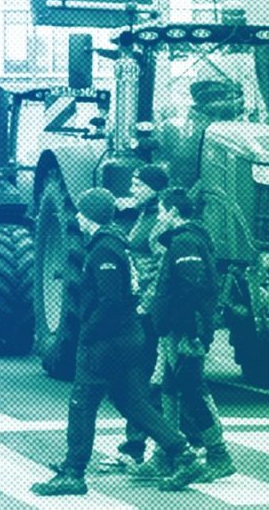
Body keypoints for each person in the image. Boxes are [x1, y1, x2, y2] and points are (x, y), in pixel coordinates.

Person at [30, 187, 206, 497]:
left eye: (81, 212)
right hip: (128, 337)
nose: (78, 218)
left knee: (82, 403)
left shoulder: (103, 251)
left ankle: (73, 472)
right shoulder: (116, 244)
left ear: (90, 216)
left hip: (107, 341)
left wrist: (88, 334)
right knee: (132, 402)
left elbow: (110, 300)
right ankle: (183, 454)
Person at [145, 187, 236, 490]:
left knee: (192, 389)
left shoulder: (185, 242)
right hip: (179, 329)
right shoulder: (188, 240)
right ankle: (166, 454)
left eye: (161, 211)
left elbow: (192, 288)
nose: (159, 217)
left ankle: (218, 454)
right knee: (171, 389)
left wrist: (190, 332)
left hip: (184, 331)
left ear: (173, 212)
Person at [112, 164, 169, 467]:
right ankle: (137, 445)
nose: (132, 189)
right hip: (140, 307)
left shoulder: (159, 221)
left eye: (138, 184)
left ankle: (161, 445)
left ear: (154, 188)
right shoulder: (144, 215)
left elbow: (162, 270)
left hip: (149, 312)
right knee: (140, 377)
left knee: (145, 378)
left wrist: (146, 305)